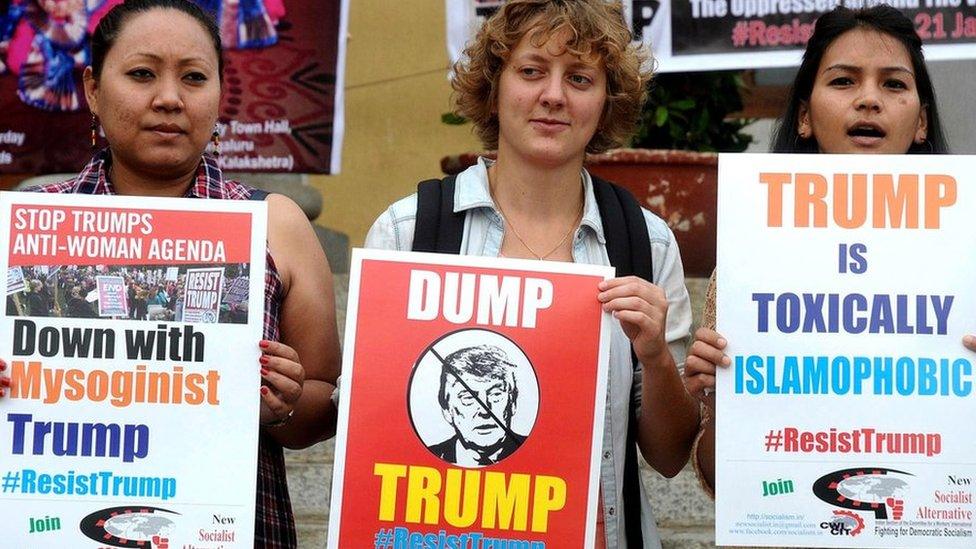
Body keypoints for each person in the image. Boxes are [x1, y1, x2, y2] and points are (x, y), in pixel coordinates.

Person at [0, 0, 340, 545]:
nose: (168, 98)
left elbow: (324, 403)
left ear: (220, 92)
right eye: (141, 74)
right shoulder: (29, 226)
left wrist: (284, 402)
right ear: (92, 89)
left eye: (194, 77)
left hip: (224, 524)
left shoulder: (274, 223)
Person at [365, 1, 699, 546]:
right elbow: (374, 425)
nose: (553, 95)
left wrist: (658, 356)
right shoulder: (410, 232)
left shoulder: (646, 242)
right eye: (531, 70)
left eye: (581, 78)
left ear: (604, 101)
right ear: (494, 87)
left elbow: (667, 456)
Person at [683, 4, 951, 496]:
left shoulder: (966, 261)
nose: (869, 100)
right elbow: (727, 484)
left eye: (893, 84)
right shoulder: (752, 256)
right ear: (804, 117)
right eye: (844, 81)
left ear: (921, 123)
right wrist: (724, 407)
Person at [428, 345, 527, 467]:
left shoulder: (536, 453)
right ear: (447, 410)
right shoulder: (424, 459)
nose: (485, 411)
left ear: (512, 403)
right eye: (468, 398)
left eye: (495, 394)